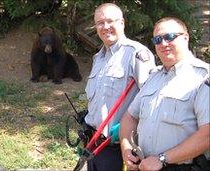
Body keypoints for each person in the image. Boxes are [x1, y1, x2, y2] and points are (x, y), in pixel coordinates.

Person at [120, 17, 210, 171]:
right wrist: (126, 147)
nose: (163, 43)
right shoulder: (153, 77)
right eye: (157, 39)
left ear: (185, 38)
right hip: (144, 166)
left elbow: (207, 134)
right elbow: (129, 117)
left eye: (169, 37)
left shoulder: (203, 77)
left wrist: (162, 159)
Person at [84, 3, 156, 171]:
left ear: (122, 23)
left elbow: (149, 102)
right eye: (100, 23)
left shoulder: (136, 54)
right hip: (93, 143)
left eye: (110, 21)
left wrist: (126, 131)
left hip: (118, 148)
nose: (105, 27)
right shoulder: (98, 58)